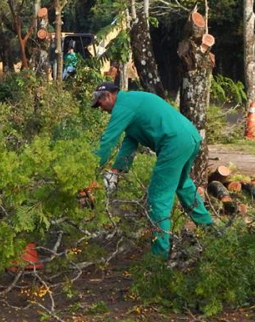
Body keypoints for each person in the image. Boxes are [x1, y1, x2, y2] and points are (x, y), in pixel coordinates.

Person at [91, 82, 213, 257]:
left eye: (100, 104)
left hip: (174, 142)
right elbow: (130, 141)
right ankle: (212, 232)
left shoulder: (123, 106)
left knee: (158, 198)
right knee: (182, 184)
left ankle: (159, 257)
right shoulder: (133, 101)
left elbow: (108, 141)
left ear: (108, 96)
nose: (101, 109)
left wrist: (91, 168)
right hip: (191, 137)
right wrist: (117, 171)